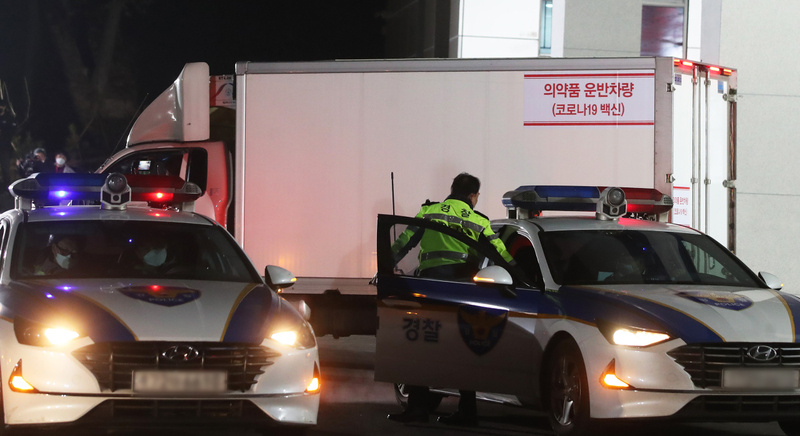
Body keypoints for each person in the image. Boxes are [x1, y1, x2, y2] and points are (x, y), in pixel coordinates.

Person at [387, 173, 515, 426]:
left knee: (422, 347)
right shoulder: (478, 220)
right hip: (463, 290)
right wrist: (519, 274)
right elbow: (499, 252)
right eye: (477, 196)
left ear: (453, 189)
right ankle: (468, 412)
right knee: (464, 349)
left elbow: (405, 241)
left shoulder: (430, 211)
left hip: (431, 288)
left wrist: (386, 265)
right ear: (471, 196)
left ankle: (418, 409)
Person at [0, 100, 17, 190]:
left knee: (5, 167)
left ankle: (6, 187)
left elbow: (13, 132)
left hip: (4, 147)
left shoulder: (9, 118)